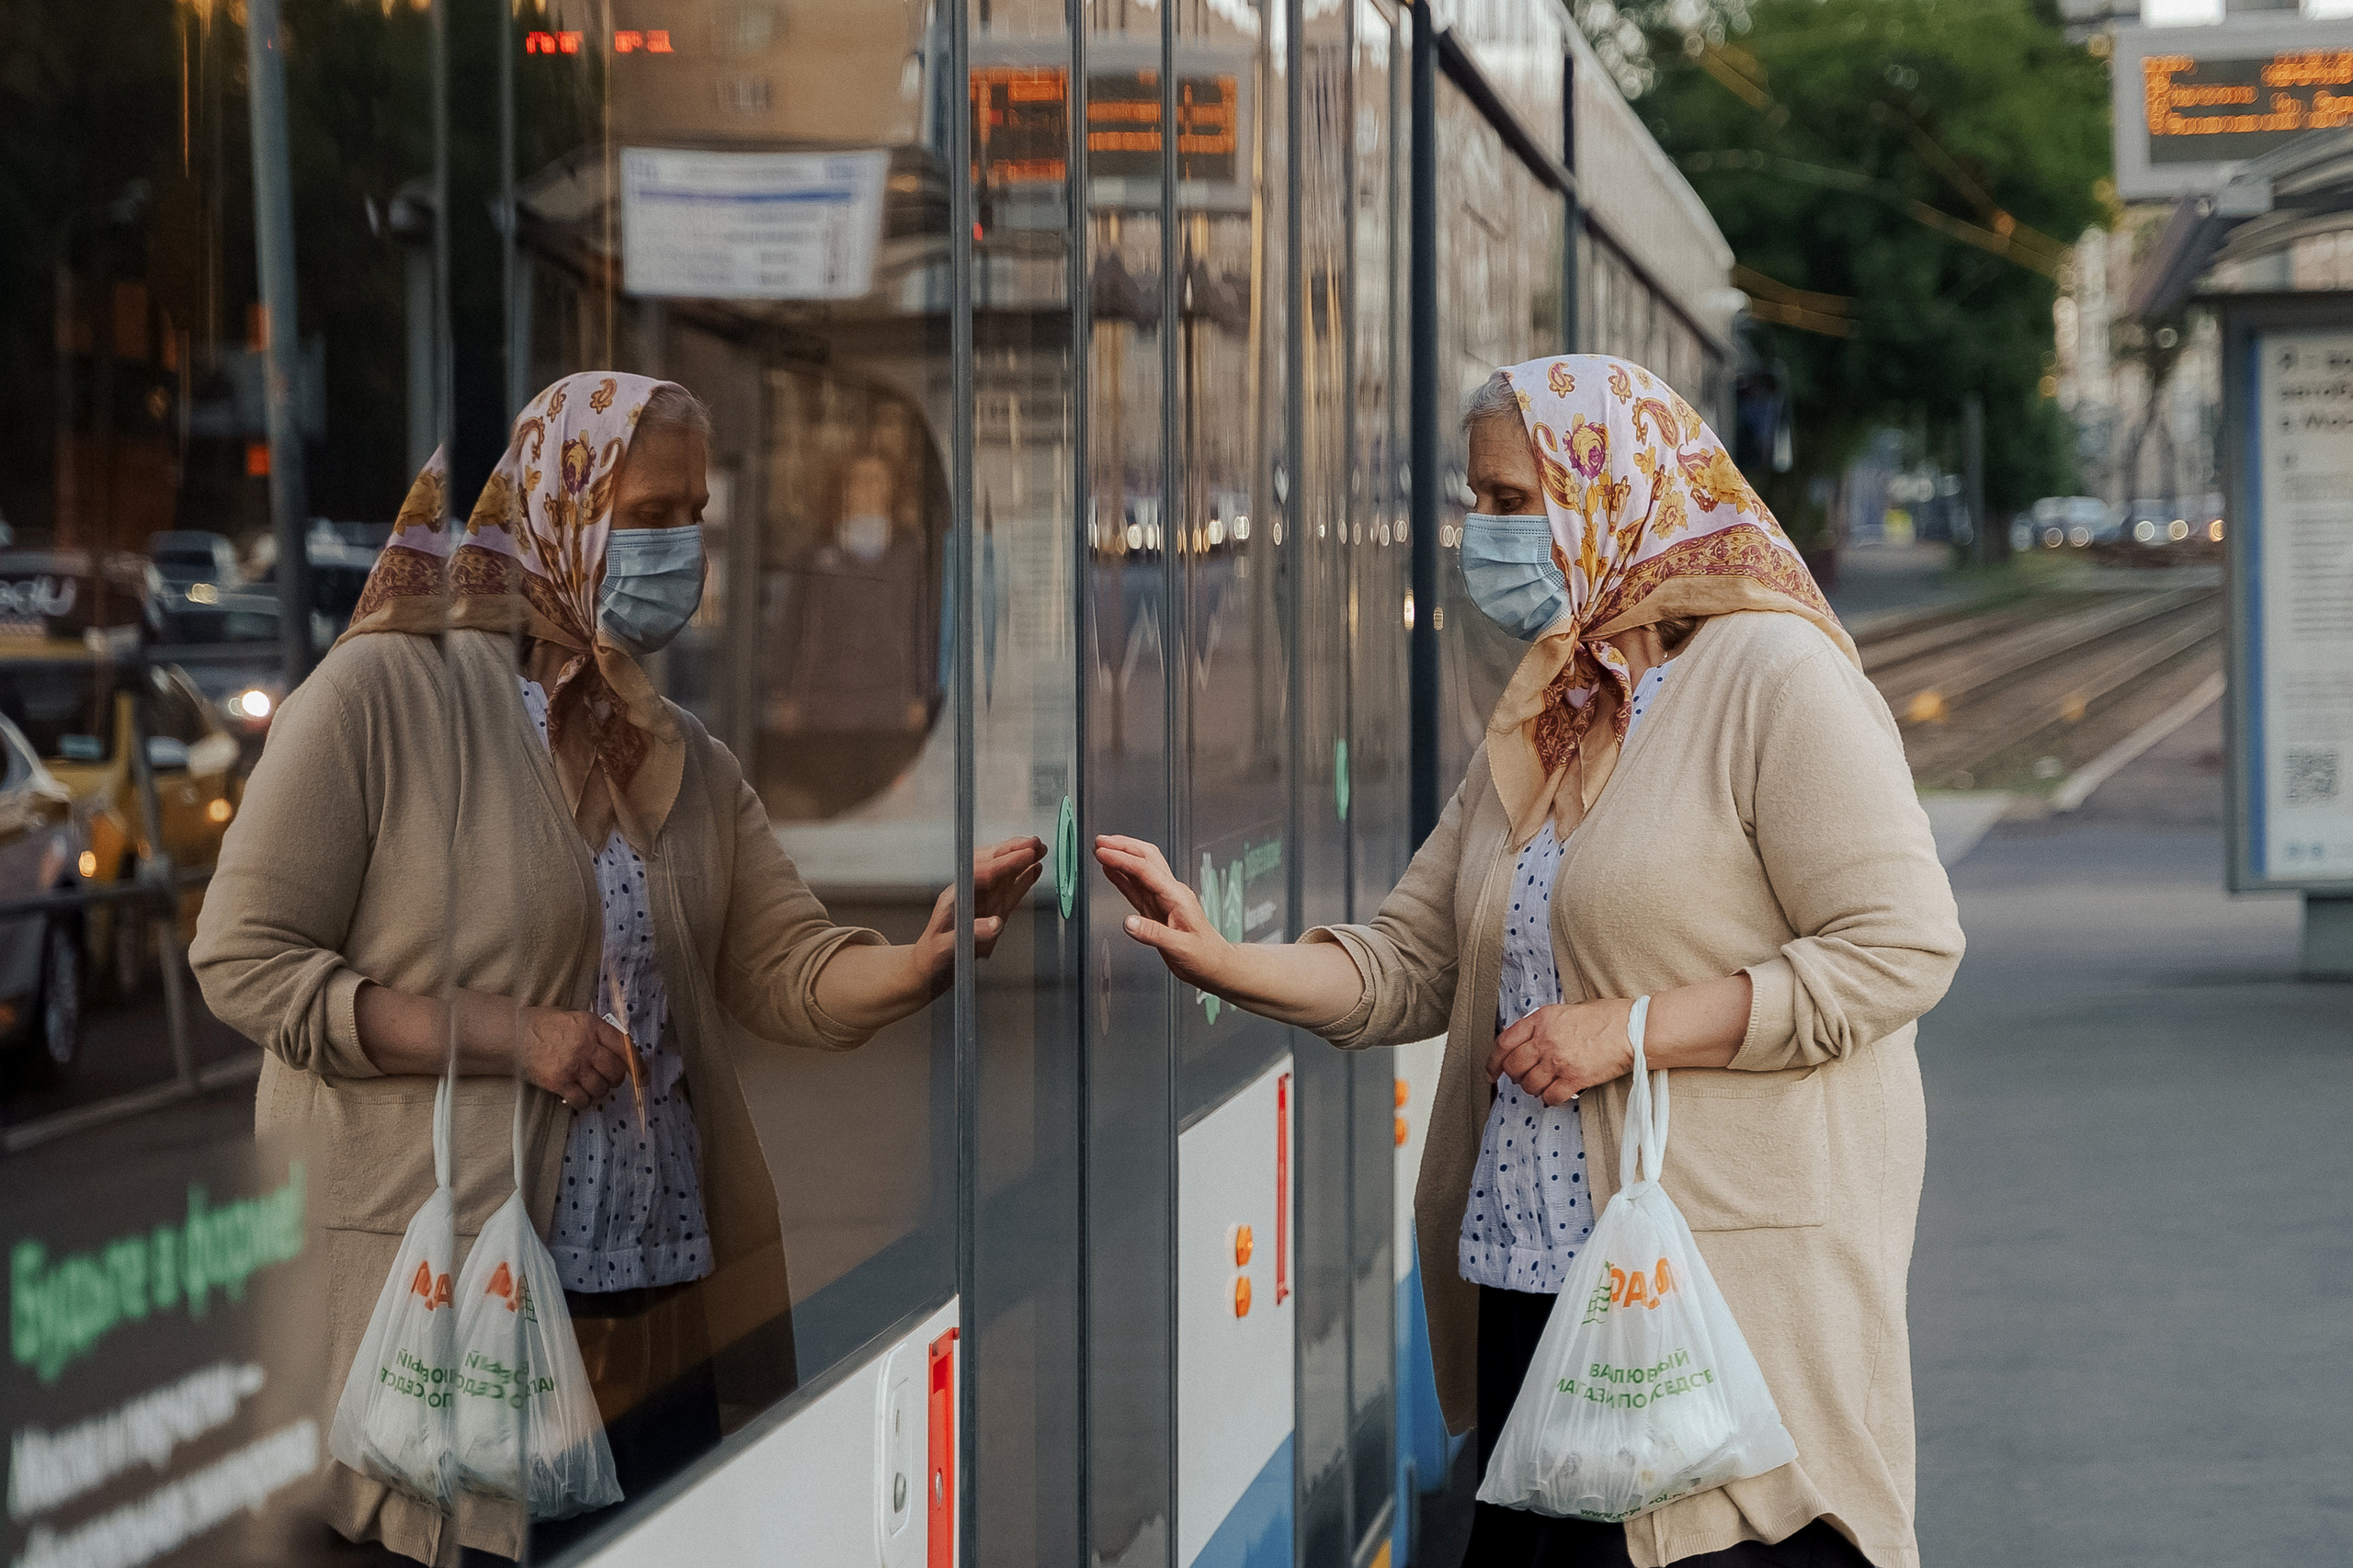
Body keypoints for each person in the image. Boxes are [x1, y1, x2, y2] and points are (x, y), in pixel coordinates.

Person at [1097, 355, 1962, 1567]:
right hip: (1534, 1290)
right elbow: (1412, 959)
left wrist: (1633, 1029)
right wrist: (1221, 958)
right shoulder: (1557, 705)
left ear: (1613, 491)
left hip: (1710, 1300)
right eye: (1477, 502)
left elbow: (1903, 946)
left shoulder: (1774, 676)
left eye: (1511, 501)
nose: (1482, 535)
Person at [191, 372, 1043, 1565]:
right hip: (476, 1309)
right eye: (649, 513)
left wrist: (919, 962)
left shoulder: (671, 751)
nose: (680, 548)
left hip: (669, 1308)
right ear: (558, 505)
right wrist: (507, 1035)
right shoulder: (383, 699)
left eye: (694, 513)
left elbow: (788, 963)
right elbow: (241, 957)